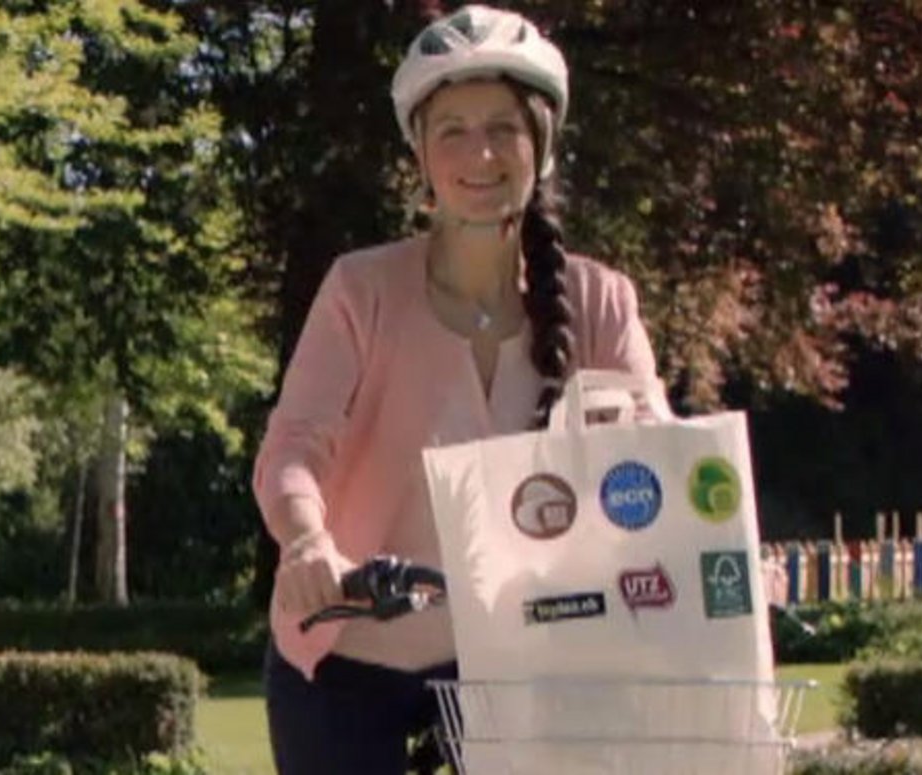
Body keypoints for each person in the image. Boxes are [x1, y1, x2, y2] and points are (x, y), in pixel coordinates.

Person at [252, 5, 659, 773]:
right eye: (453, 131)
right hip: (343, 658)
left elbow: (655, 459)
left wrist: (718, 540)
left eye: (504, 128)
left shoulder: (601, 303)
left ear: (542, 145)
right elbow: (295, 445)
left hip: (514, 661)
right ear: (420, 154)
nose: (482, 154)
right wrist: (306, 542)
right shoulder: (360, 290)